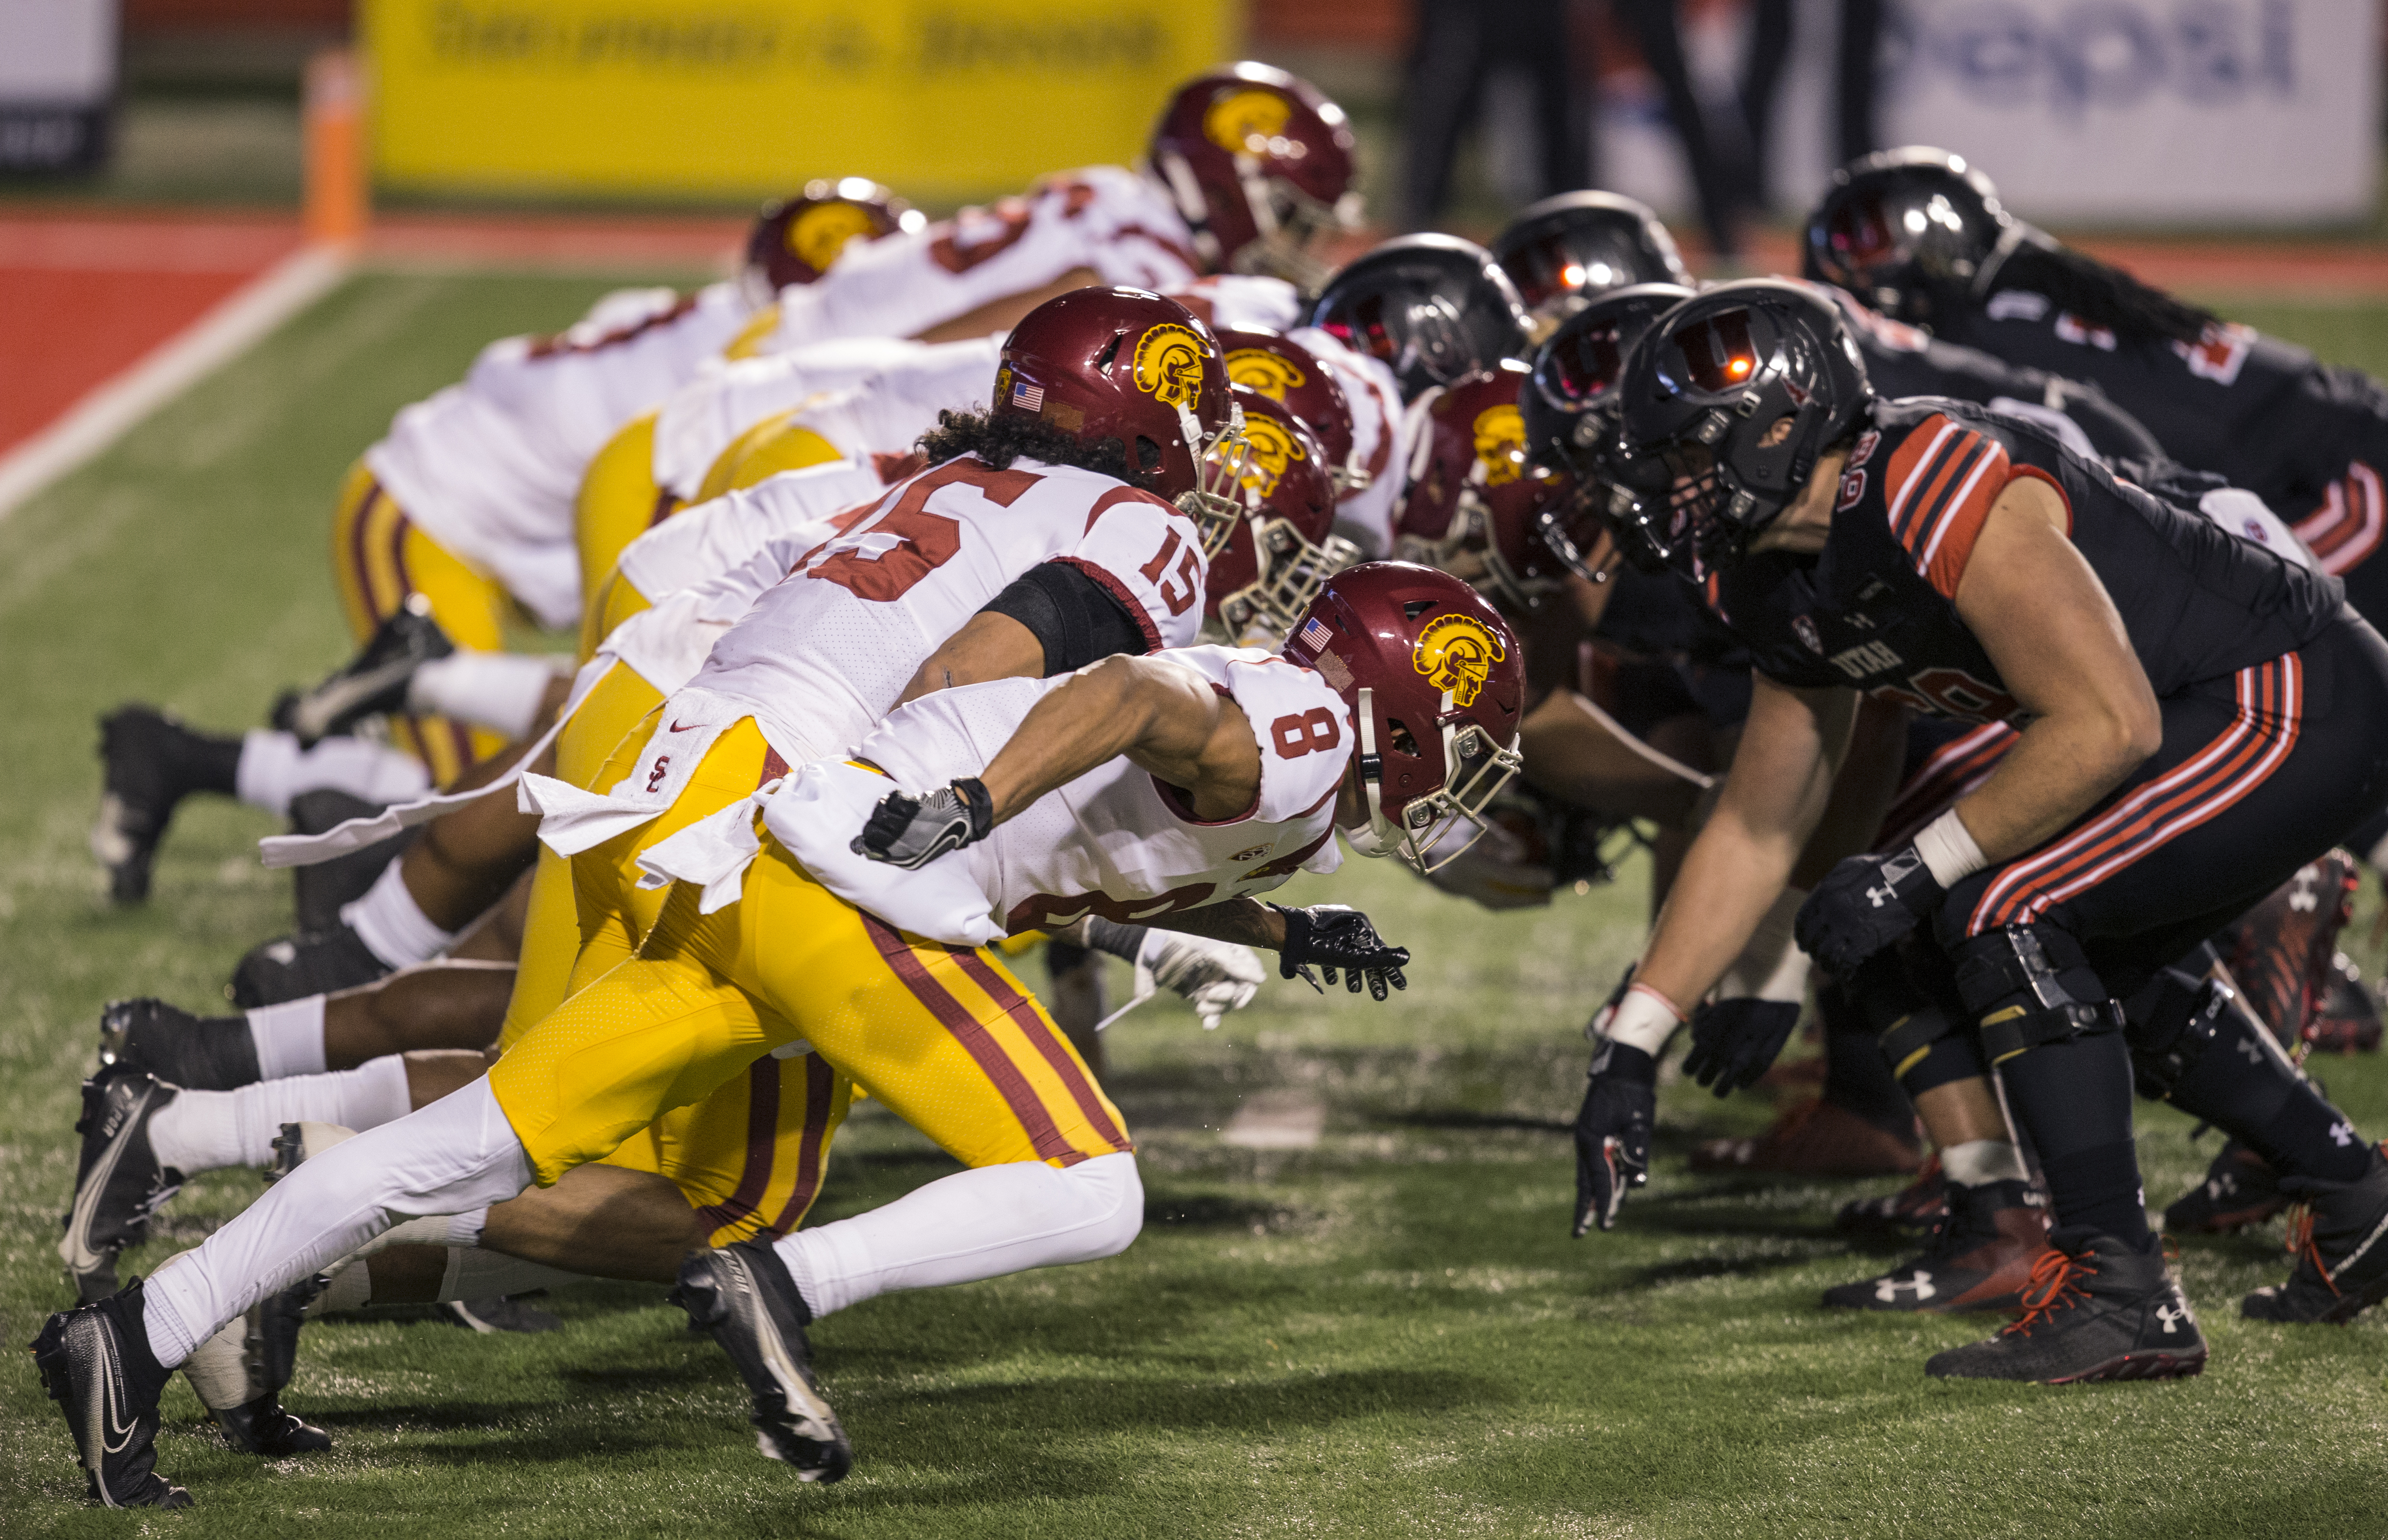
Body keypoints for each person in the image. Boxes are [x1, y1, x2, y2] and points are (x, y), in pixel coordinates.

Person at [1569, 280, 2388, 1383]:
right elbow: (1763, 820)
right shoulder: (1777, 573)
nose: (1673, 493)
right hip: (2209, 713)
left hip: (2287, 694)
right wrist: (1635, 1043)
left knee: (2008, 912)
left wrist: (1918, 868)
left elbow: (2108, 723)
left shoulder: (1925, 475)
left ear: (1778, 424)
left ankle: (2120, 1287)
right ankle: (2353, 1193)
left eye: (1687, 459)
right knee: (2038, 940)